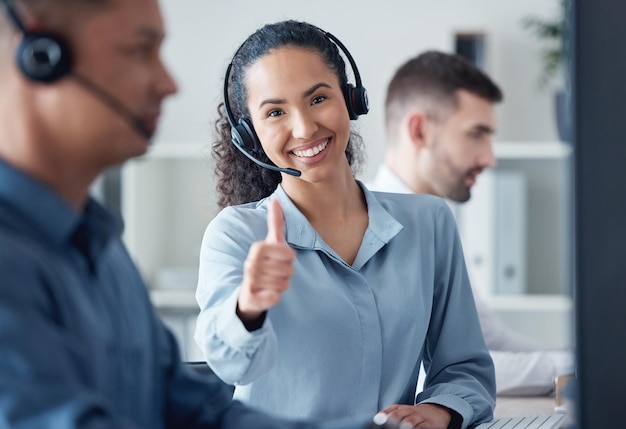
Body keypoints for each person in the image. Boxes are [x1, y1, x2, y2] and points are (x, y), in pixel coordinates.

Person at [0, 1, 401, 428]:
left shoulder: (103, 250)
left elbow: (199, 413)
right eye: (140, 50)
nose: (169, 84)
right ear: (42, 57)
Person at [194, 20, 495, 429]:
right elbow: (229, 366)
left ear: (351, 100)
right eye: (276, 111)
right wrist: (249, 306)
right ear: (250, 136)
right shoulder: (236, 235)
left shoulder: (429, 224)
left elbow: (466, 369)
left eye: (318, 99)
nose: (304, 128)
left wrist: (438, 411)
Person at [368, 50, 574, 396]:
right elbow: (426, 372)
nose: (489, 158)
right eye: (476, 134)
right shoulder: (369, 228)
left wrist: (582, 360)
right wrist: (573, 365)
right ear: (419, 131)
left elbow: (489, 338)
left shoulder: (434, 223)